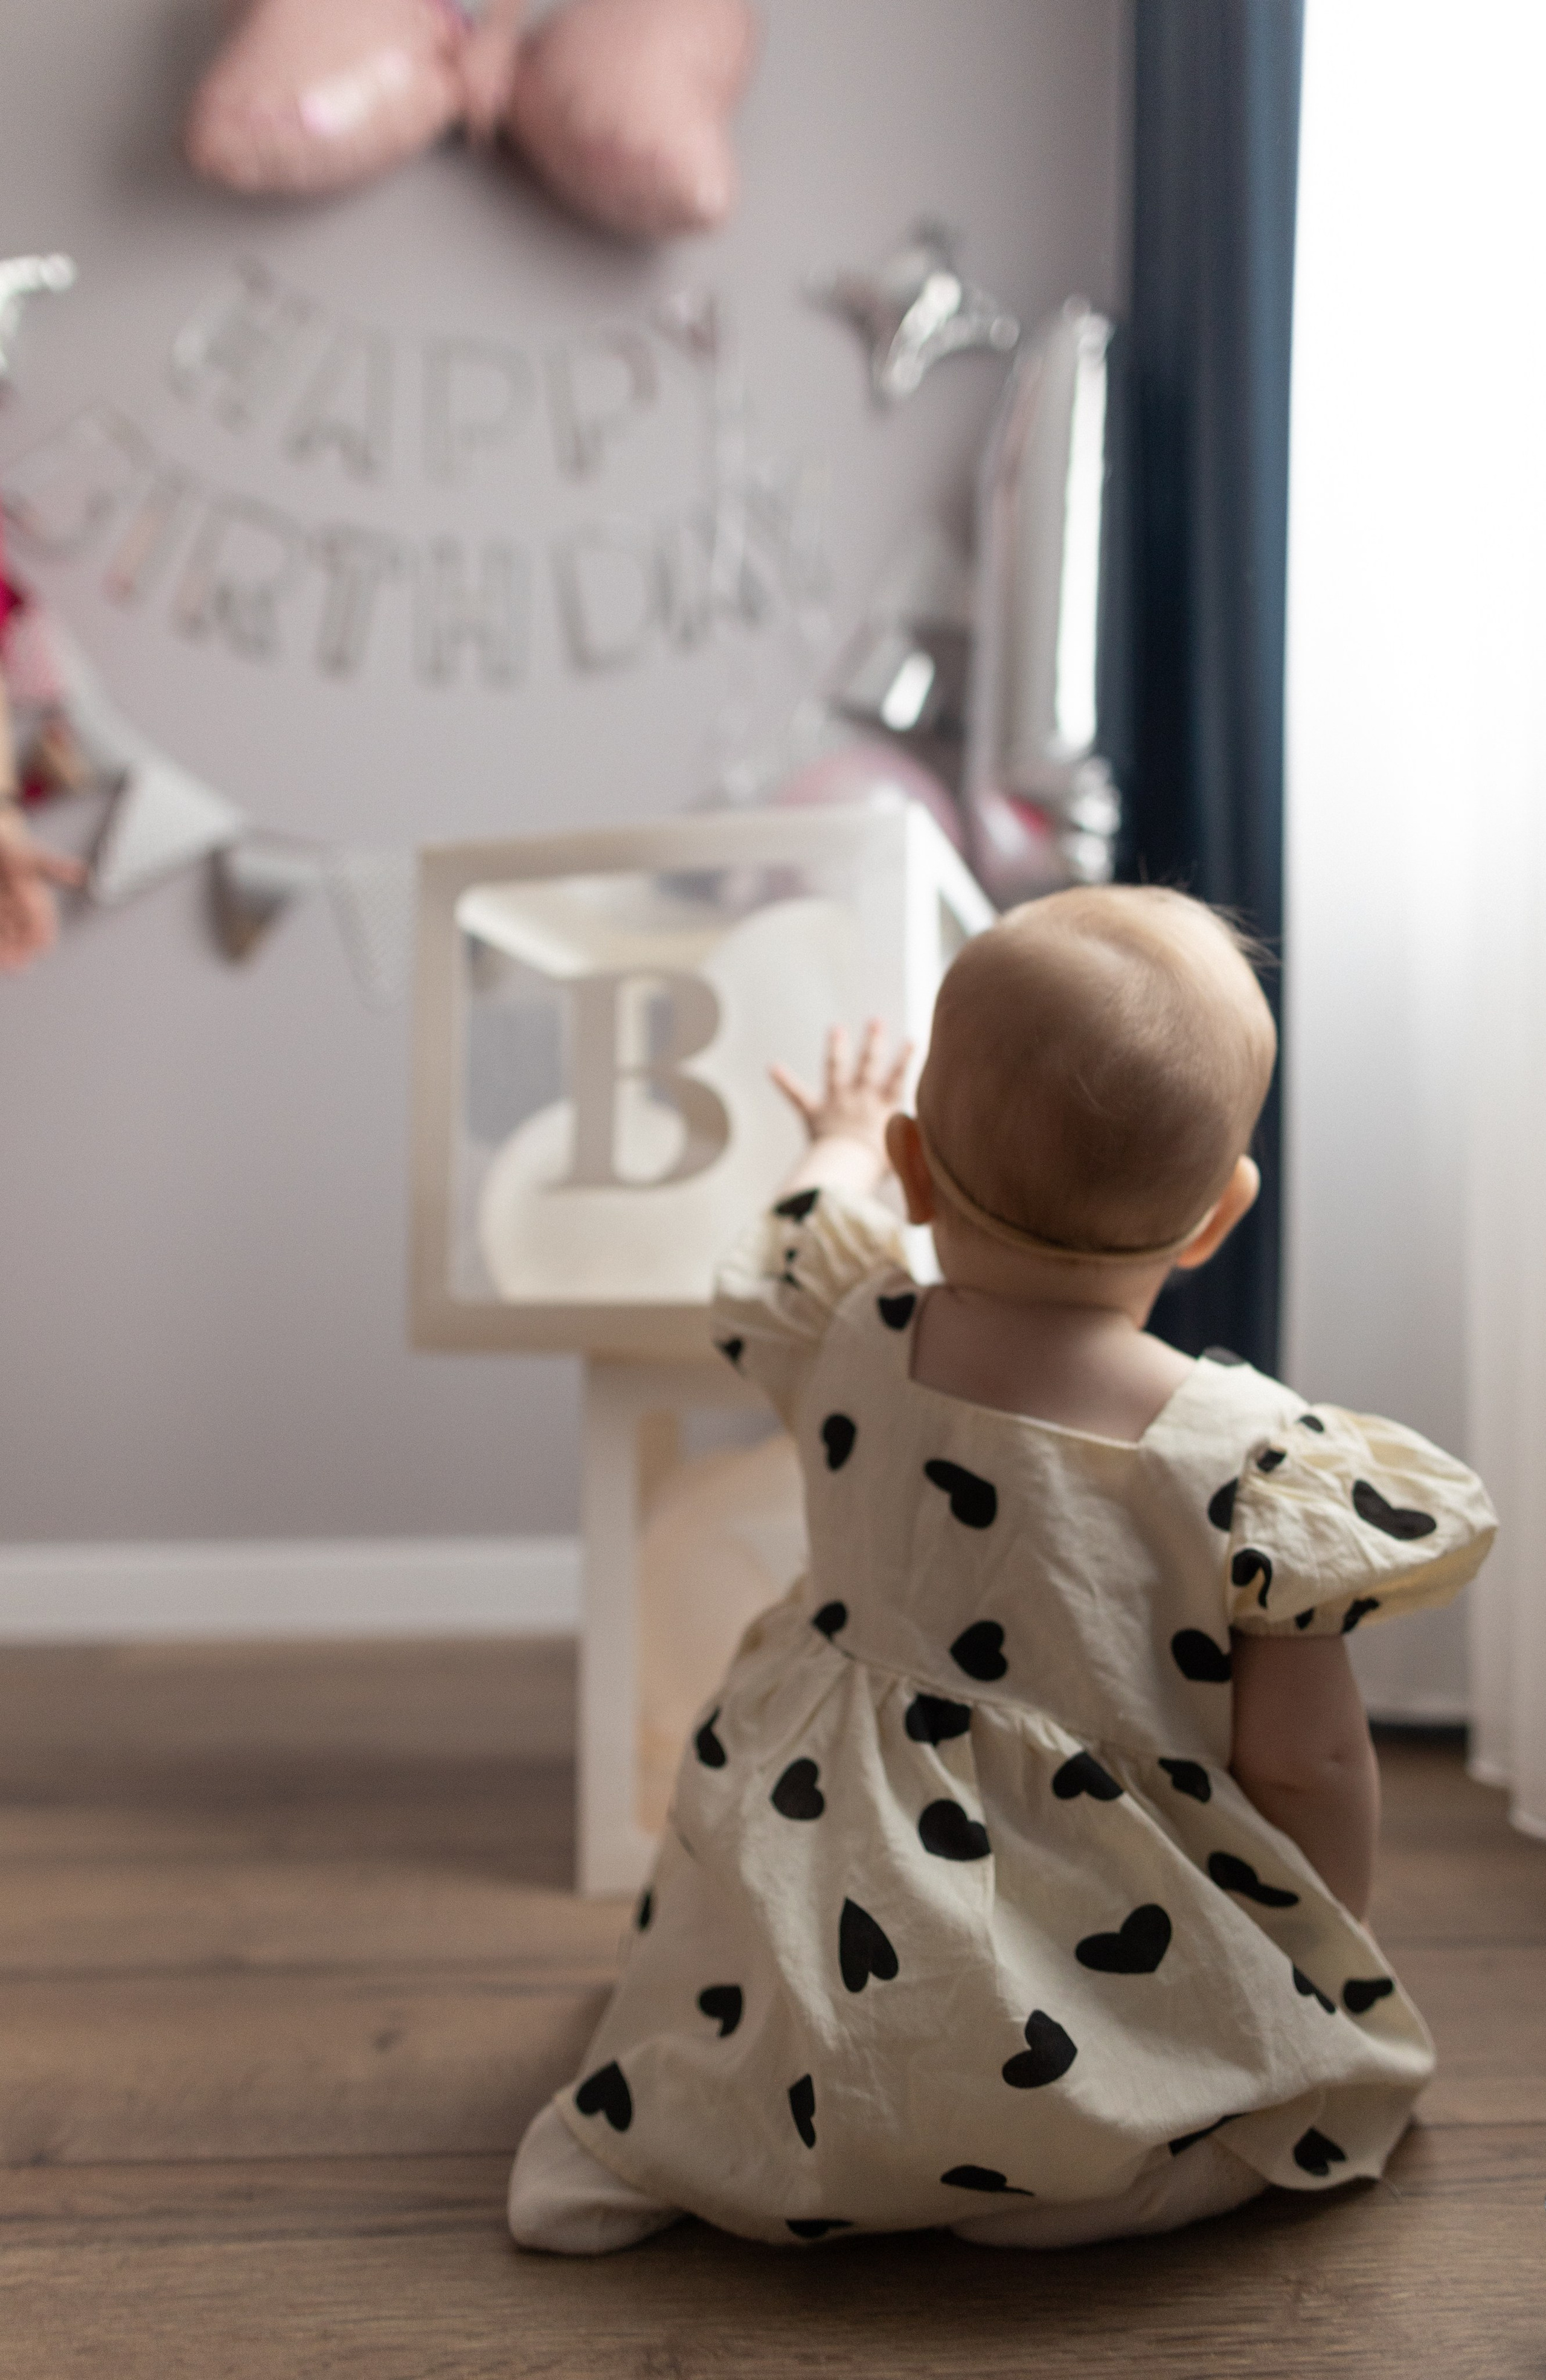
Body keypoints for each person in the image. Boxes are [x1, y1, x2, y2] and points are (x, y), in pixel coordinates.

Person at [508, 884, 1496, 2254]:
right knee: (1205, 2078)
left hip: (819, 1863)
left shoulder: (843, 1329)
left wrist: (840, 1141)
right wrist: (1307, 1968)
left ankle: (660, 2139)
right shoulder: (1255, 1462)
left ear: (915, 1173)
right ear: (1217, 1216)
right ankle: (1070, 2168)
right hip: (1080, 1933)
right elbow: (1306, 1767)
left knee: (747, 1970)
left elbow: (784, 1238)